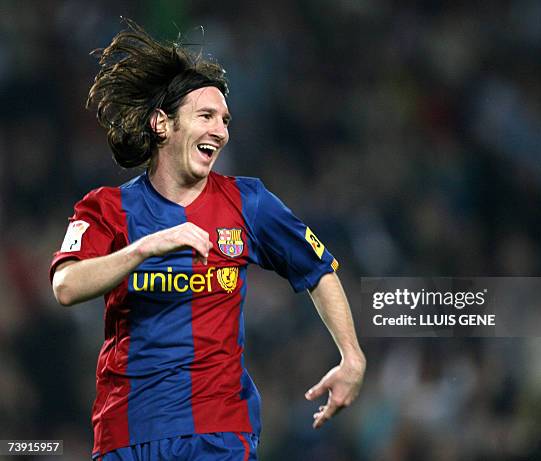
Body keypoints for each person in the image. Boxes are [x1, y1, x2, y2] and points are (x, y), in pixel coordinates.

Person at [49, 20, 365, 461]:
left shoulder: (248, 201)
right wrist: (146, 247)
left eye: (225, 120)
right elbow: (65, 286)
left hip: (218, 433)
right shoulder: (106, 208)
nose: (221, 130)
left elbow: (318, 269)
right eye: (206, 116)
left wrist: (351, 356)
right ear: (163, 124)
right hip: (127, 431)